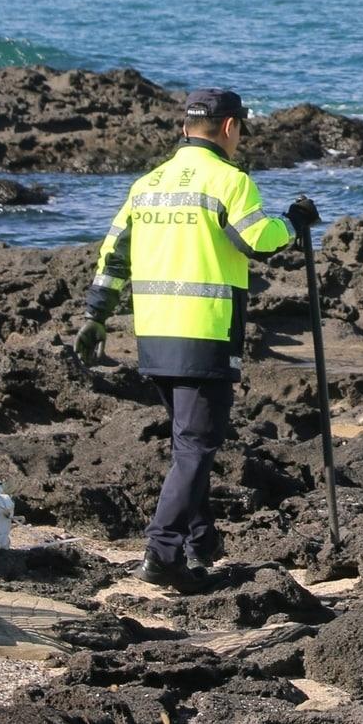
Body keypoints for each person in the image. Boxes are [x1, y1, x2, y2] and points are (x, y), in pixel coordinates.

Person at [75, 88, 321, 592]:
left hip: (155, 333)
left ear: (187, 127)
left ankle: (200, 541)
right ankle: (163, 552)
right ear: (230, 127)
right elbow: (259, 239)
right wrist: (295, 223)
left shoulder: (148, 184)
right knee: (196, 446)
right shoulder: (230, 181)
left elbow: (114, 255)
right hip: (206, 332)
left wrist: (95, 317)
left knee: (187, 441)